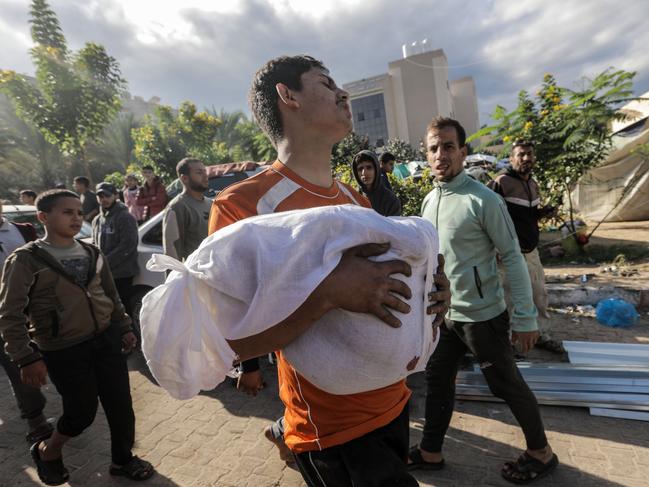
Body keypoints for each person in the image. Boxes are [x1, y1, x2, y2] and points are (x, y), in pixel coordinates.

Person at [208, 55, 450, 487]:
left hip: (394, 398)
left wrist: (429, 294)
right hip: (331, 426)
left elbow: (380, 286)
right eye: (326, 83)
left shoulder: (356, 201)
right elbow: (228, 344)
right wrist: (326, 294)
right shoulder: (244, 207)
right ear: (288, 96)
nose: (344, 93)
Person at [412, 117, 558, 484]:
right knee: (437, 380)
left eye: (448, 146)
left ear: (463, 151)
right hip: (446, 316)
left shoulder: (484, 199)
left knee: (505, 383)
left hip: (483, 317)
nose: (440, 155)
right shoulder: (430, 201)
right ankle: (431, 452)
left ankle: (541, 452)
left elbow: (512, 256)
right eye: (433, 148)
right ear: (426, 154)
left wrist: (525, 318)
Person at [0, 189, 154, 485]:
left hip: (105, 339)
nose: (76, 218)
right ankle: (48, 450)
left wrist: (123, 327)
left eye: (80, 212)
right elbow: (10, 314)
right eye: (67, 212)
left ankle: (123, 460)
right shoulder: (25, 260)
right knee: (81, 413)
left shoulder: (91, 252)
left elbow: (111, 294)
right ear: (43, 217)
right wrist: (25, 357)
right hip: (63, 348)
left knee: (121, 406)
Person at [488, 140, 563, 354]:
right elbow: (489, 217)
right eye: (521, 154)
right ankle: (507, 344)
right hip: (508, 254)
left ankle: (540, 334)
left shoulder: (532, 184)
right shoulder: (501, 182)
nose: (526, 158)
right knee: (509, 300)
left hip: (531, 252)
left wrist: (544, 212)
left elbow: (528, 216)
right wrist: (494, 250)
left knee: (539, 295)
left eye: (529, 154)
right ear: (512, 158)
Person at [0, 200, 54, 444]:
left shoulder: (22, 230)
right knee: (17, 365)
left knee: (39, 359)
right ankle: (36, 420)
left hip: (34, 309)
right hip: (5, 316)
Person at [91, 183, 139, 317]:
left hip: (122, 273)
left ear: (116, 196)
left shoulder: (125, 217)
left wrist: (105, 262)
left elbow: (128, 245)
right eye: (100, 196)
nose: (103, 199)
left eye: (107, 195)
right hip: (103, 272)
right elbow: (95, 244)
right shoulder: (97, 220)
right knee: (106, 308)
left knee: (122, 308)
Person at [163, 158, 212, 261]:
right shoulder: (177, 207)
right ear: (184, 178)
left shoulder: (211, 204)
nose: (205, 176)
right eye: (199, 173)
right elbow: (172, 253)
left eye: (205, 172)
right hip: (194, 274)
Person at [351, 150, 401, 216]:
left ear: (376, 170)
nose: (364, 173)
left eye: (369, 167)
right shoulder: (353, 198)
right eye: (360, 169)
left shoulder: (390, 200)